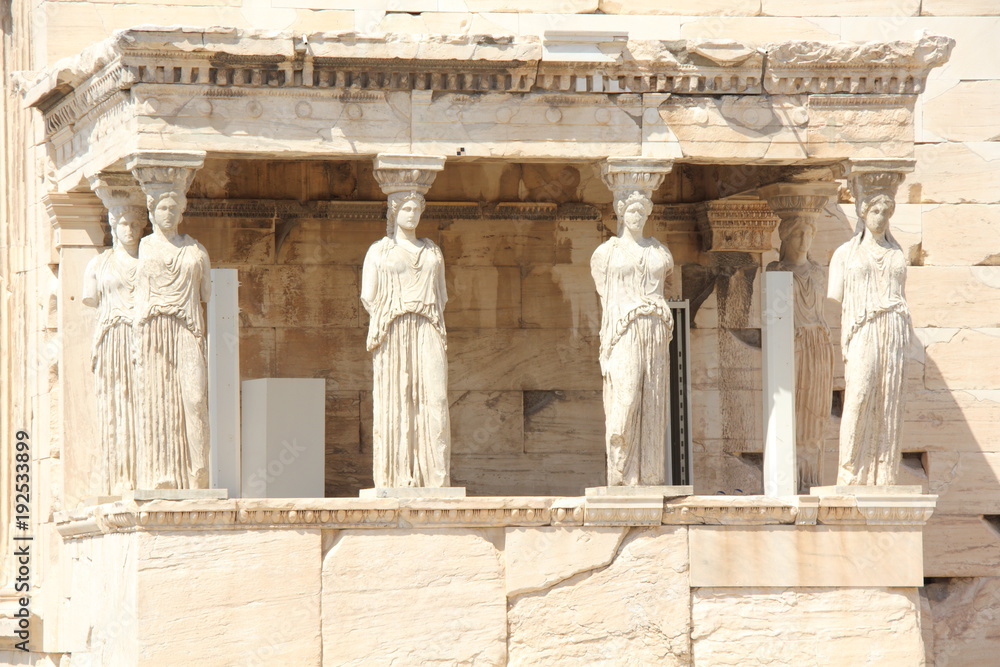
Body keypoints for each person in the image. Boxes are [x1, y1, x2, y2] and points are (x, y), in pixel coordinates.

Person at [361, 191, 450, 488]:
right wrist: (394, 312)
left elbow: (442, 295)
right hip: (393, 327)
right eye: (406, 209)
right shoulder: (379, 251)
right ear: (394, 212)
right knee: (397, 397)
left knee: (435, 397)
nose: (412, 215)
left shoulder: (433, 251)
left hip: (428, 324)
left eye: (416, 209)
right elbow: (368, 296)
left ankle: (435, 477)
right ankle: (397, 476)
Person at [591, 191, 674, 486]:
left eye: (641, 211)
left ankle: (650, 475)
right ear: (620, 212)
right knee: (625, 399)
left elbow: (667, 284)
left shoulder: (660, 252)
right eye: (631, 211)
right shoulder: (605, 253)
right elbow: (604, 294)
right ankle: (621, 474)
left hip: (655, 328)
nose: (636, 216)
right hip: (623, 330)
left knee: (653, 399)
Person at [828, 192, 911, 486]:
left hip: (894, 326)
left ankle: (884, 473)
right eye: (875, 211)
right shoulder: (844, 254)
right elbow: (836, 293)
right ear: (863, 213)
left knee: (890, 397)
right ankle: (849, 471)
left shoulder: (897, 253)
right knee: (859, 394)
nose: (880, 218)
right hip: (862, 326)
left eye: (886, 213)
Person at [134, 184, 212, 489]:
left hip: (188, 327)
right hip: (154, 329)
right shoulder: (143, 248)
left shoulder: (196, 250)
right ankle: (162, 475)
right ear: (152, 212)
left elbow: (206, 293)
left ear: (181, 213)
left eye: (173, 209)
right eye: (162, 208)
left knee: (195, 397)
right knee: (158, 398)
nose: (168, 214)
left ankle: (199, 471)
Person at [82, 201, 146, 494]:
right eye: (123, 224)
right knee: (117, 403)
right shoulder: (98, 264)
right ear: (113, 226)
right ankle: (119, 477)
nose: (129, 230)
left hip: (145, 337)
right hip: (113, 337)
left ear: (143, 227)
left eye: (135, 224)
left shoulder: (148, 262)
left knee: (145, 401)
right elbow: (91, 298)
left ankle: (145, 473)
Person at [766, 216, 834, 491]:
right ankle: (787, 479)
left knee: (815, 412)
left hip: (818, 345)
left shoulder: (817, 272)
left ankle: (810, 478)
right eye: (798, 234)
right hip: (789, 345)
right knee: (789, 408)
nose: (805, 241)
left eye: (809, 234)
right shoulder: (776, 270)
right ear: (785, 237)